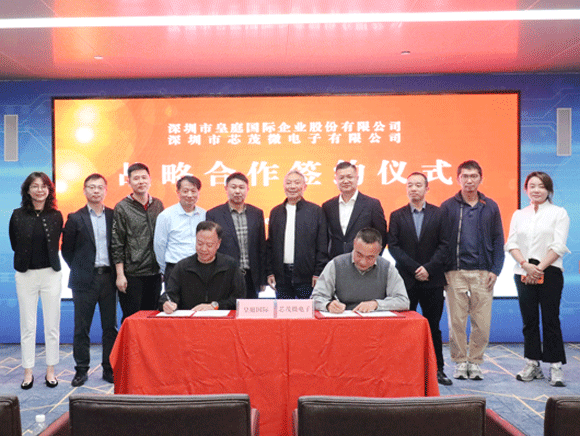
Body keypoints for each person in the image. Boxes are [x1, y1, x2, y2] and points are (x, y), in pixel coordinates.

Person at [440, 160, 504, 381]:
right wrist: (443, 270)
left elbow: (498, 239)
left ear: (480, 179)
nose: (469, 180)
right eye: (465, 176)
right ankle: (460, 361)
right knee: (456, 322)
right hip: (455, 272)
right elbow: (441, 241)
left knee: (482, 322)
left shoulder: (490, 206)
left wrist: (495, 270)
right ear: (458, 179)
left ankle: (475, 361)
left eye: (473, 176)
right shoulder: (447, 206)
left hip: (483, 273)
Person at [505, 172, 570, 387]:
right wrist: (525, 265)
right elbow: (511, 243)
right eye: (532, 186)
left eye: (541, 186)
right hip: (523, 270)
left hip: (549, 271)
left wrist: (539, 269)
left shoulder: (559, 213)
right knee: (529, 320)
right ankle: (532, 363)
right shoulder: (519, 214)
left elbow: (559, 245)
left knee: (550, 319)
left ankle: (555, 366)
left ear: (549, 190)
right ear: (526, 189)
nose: (536, 190)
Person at [388, 172, 452, 386]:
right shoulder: (397, 215)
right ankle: (402, 369)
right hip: (406, 280)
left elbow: (445, 245)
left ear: (427, 188)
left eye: (418, 185)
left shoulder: (439, 214)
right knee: (403, 327)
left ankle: (437, 369)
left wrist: (428, 268)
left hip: (432, 280)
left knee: (433, 326)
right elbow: (393, 246)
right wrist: (416, 268)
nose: (414, 188)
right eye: (410, 185)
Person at [61, 173, 117, 386]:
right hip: (84, 280)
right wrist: (82, 269)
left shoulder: (113, 216)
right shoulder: (75, 218)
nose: (96, 191)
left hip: (108, 279)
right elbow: (67, 250)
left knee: (110, 327)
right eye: (91, 187)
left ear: (105, 191)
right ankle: (81, 370)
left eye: (100, 187)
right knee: (81, 327)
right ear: (84, 191)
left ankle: (108, 368)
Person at [9, 172, 63, 389]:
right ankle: (28, 372)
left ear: (49, 190)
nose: (40, 190)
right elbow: (14, 243)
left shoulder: (56, 215)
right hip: (26, 275)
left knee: (52, 325)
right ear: (28, 190)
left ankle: (51, 370)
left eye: (44, 186)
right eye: (35, 186)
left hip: (51, 274)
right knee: (28, 326)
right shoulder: (17, 215)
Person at [111, 163, 164, 322]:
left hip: (155, 273)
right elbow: (117, 242)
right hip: (132, 274)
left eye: (144, 177)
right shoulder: (122, 207)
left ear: (150, 180)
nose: (141, 181)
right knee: (132, 319)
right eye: (136, 178)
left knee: (152, 318)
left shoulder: (158, 205)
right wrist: (120, 275)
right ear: (129, 182)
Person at [312, 228, 409, 313]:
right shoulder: (336, 264)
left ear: (379, 251)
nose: (363, 262)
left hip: (377, 322)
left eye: (370, 257)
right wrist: (328, 305)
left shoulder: (387, 268)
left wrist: (376, 304)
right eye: (359, 254)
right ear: (354, 244)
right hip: (343, 320)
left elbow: (403, 301)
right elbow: (315, 298)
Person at [266, 170, 328, 299]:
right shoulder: (276, 212)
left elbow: (322, 244)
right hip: (281, 277)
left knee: (307, 310)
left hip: (307, 277)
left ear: (304, 187)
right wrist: (270, 271)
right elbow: (270, 245)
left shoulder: (316, 211)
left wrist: (318, 272)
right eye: (288, 183)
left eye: (297, 182)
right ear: (284, 186)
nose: (292, 186)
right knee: (283, 310)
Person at [159, 221, 245, 313]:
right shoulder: (182, 266)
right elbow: (169, 295)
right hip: (190, 319)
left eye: (209, 245)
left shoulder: (230, 265)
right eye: (199, 243)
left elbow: (239, 299)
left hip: (222, 319)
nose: (203, 249)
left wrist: (215, 306)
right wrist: (166, 303)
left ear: (218, 244)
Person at [206, 172, 266, 299]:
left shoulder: (257, 213)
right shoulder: (214, 214)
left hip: (251, 277)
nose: (237, 191)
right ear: (226, 188)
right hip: (225, 276)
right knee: (227, 309)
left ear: (247, 189)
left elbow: (261, 247)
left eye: (241, 187)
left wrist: (262, 279)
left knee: (250, 310)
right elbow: (211, 249)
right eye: (233, 187)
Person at [323, 161, 387, 259]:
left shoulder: (372, 204)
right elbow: (324, 238)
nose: (345, 181)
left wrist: (372, 258)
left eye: (349, 177)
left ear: (357, 179)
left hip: (364, 262)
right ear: (336, 180)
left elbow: (381, 236)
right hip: (335, 261)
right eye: (341, 178)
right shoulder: (328, 206)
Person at [154, 175, 206, 284]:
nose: (189, 195)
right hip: (175, 268)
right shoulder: (166, 216)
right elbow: (159, 245)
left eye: (193, 191)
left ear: (199, 193)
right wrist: (165, 269)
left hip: (200, 268)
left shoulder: (204, 215)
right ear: (178, 193)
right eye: (185, 191)